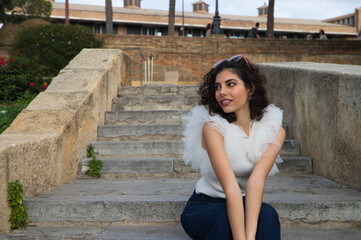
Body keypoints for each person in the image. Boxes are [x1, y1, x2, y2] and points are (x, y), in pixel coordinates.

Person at [181, 54, 285, 240]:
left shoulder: (273, 130)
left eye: (231, 84)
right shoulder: (213, 127)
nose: (222, 92)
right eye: (217, 87)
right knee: (221, 219)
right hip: (205, 204)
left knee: (268, 216)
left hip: (245, 202)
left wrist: (250, 237)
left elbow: (255, 182)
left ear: (250, 88)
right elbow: (231, 188)